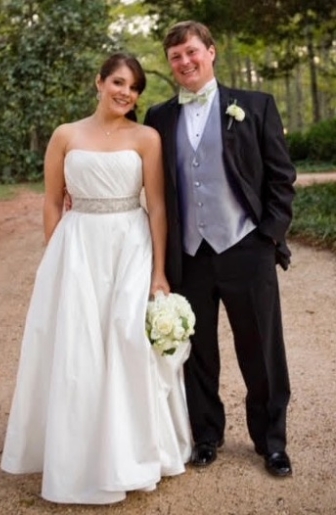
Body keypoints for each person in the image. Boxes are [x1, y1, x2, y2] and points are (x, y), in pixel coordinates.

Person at [0, 52, 191, 504]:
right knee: (78, 348)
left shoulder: (146, 137)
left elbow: (158, 207)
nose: (127, 92)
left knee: (126, 342)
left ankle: (131, 453)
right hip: (78, 246)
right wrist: (57, 256)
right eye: (120, 82)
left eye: (135, 87)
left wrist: (159, 271)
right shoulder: (65, 135)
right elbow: (51, 201)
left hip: (130, 243)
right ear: (100, 82)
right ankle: (77, 456)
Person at [144, 21, 296, 477]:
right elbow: (137, 172)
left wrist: (268, 236)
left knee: (261, 350)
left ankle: (271, 442)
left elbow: (281, 178)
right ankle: (206, 436)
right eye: (176, 57)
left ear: (211, 53)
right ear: (170, 65)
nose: (185, 62)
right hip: (188, 253)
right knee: (198, 353)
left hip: (245, 246)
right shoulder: (158, 117)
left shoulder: (254, 105)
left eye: (192, 52)